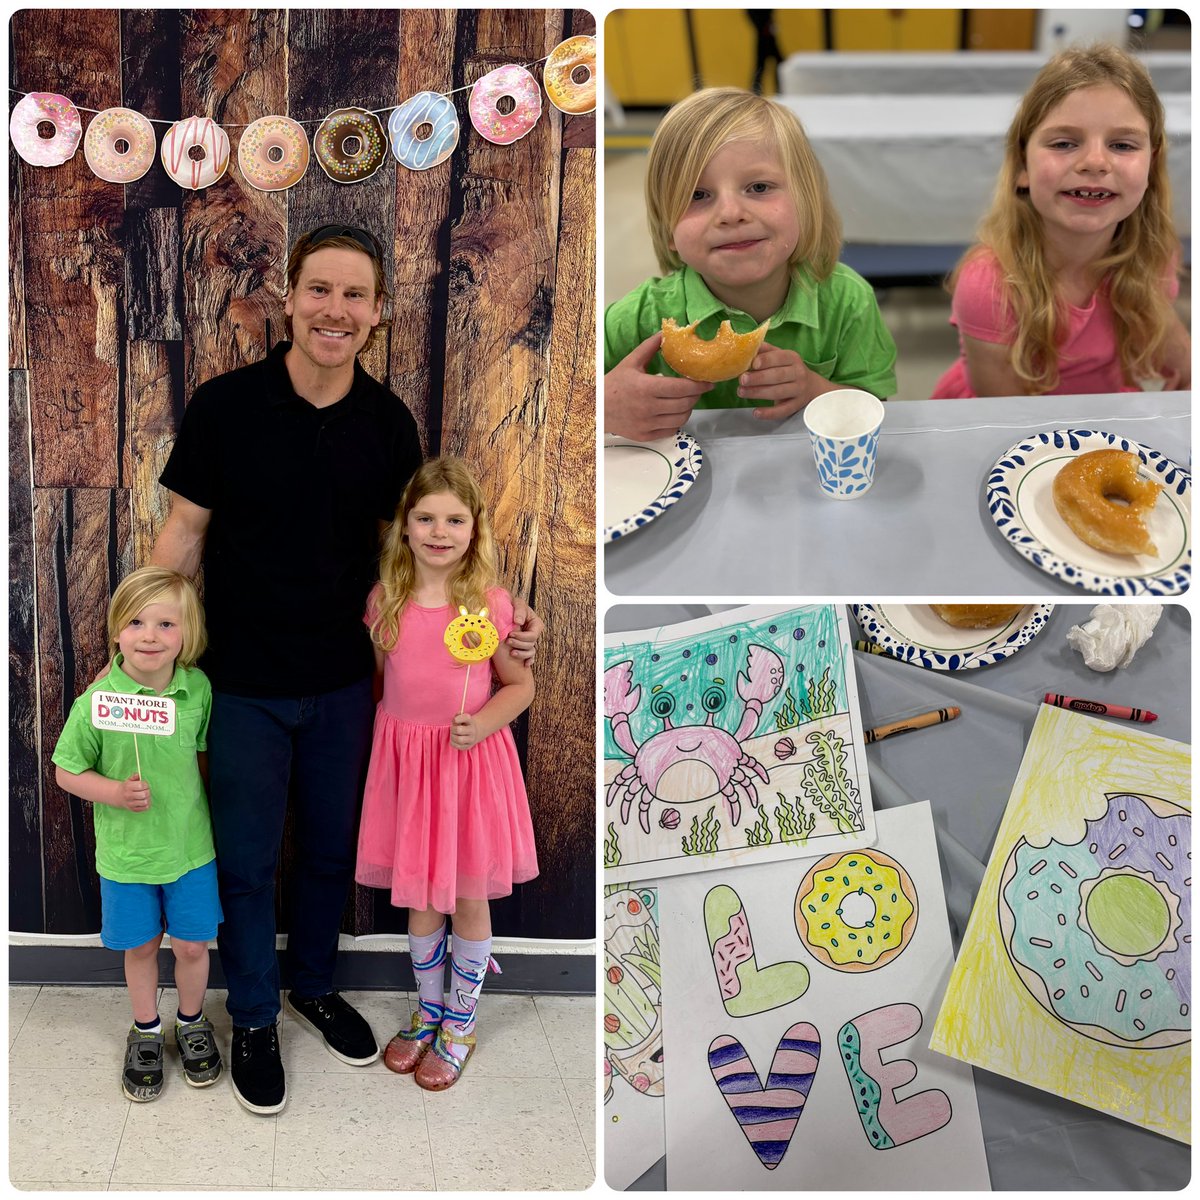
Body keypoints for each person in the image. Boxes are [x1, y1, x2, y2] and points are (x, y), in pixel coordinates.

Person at [150, 224, 542, 1115]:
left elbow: (418, 559)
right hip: (241, 678)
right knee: (247, 863)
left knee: (331, 853)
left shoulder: (386, 423)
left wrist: (505, 618)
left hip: (344, 684)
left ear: (376, 313)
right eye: (319, 290)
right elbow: (183, 535)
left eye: (354, 295)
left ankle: (312, 985)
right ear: (290, 298)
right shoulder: (225, 407)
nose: (335, 309)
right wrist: (144, 642)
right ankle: (253, 1015)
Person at [355, 456, 538, 1091]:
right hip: (409, 766)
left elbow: (519, 687)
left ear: (475, 528)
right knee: (420, 896)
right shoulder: (387, 599)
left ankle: (460, 1023)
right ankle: (428, 1010)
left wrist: (485, 722)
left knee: (465, 896)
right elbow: (382, 679)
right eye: (426, 517)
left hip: (466, 768)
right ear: (404, 526)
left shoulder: (490, 605)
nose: (439, 531)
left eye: (454, 520)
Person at [604, 87, 897, 442]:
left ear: (806, 203)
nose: (730, 214)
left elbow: (875, 407)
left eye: (758, 187)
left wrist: (814, 390)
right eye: (698, 195)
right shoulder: (637, 319)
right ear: (668, 231)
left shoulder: (848, 301)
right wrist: (603, 407)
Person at [932, 44, 1190, 398]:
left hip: (1100, 415)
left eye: (1123, 146)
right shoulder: (989, 285)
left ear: (1151, 165)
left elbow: (1180, 358)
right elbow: (1007, 426)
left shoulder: (1154, 256)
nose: (1096, 162)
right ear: (1023, 166)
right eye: (1065, 143)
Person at [52, 567, 222, 1103]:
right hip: (127, 856)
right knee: (142, 945)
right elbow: (65, 771)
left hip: (191, 849)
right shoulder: (96, 703)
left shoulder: (196, 689)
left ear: (187, 634)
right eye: (136, 622)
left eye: (166, 624)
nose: (150, 635)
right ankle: (146, 1029)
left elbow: (203, 757)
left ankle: (191, 1022)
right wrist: (112, 792)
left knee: (194, 945)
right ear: (116, 633)